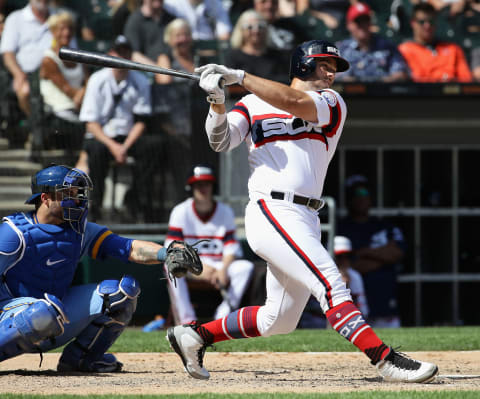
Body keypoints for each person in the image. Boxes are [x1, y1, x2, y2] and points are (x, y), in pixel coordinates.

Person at [165, 40, 439, 383]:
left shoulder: (330, 102)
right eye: (324, 64)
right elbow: (220, 141)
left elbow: (292, 101)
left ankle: (196, 335)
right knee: (330, 283)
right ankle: (385, 360)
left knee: (277, 319)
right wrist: (217, 101)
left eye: (334, 67)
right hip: (270, 209)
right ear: (303, 64)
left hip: (306, 215)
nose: (331, 73)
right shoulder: (250, 104)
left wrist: (240, 76)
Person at [0, 164, 191, 372]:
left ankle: (81, 359)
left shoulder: (79, 231)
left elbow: (128, 248)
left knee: (122, 293)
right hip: (11, 316)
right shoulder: (14, 232)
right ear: (45, 198)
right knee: (43, 311)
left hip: (56, 316)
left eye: (76, 193)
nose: (77, 200)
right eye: (68, 194)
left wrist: (167, 253)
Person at [155, 164, 254, 326]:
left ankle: (222, 318)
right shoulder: (180, 211)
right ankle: (187, 321)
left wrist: (222, 270)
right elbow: (172, 249)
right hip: (191, 266)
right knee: (170, 266)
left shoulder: (225, 211)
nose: (203, 189)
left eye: (207, 184)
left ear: (213, 186)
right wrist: (197, 269)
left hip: (218, 266)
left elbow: (232, 247)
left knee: (245, 267)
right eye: (198, 185)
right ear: (191, 187)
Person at [77, 35, 159, 222]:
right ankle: (95, 206)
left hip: (128, 136)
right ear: (110, 54)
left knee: (154, 147)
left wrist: (125, 146)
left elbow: (141, 120)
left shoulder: (140, 80)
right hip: (103, 137)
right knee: (96, 151)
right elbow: (91, 122)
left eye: (126, 53)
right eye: (118, 53)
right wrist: (113, 146)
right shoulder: (97, 80)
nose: (122, 57)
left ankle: (136, 201)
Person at [337, 175, 405, 328]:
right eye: (356, 194)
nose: (361, 198)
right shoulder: (341, 228)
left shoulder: (383, 226)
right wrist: (380, 259)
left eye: (365, 194)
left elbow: (396, 253)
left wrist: (364, 252)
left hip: (384, 301)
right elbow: (348, 266)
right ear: (348, 199)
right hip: (353, 304)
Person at [299, 235, 369, 328]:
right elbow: (307, 309)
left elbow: (363, 313)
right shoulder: (314, 274)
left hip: (342, 326)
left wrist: (346, 289)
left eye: (347, 256)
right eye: (339, 257)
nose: (344, 260)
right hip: (313, 323)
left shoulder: (354, 276)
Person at [0, 0, 52, 116]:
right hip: (28, 75)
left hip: (54, 75)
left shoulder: (60, 17)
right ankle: (35, 126)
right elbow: (7, 54)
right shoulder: (15, 18)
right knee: (25, 91)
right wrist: (18, 75)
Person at [335, 2, 410, 82]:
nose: (362, 25)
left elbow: (400, 73)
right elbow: (334, 77)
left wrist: (381, 83)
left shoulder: (387, 46)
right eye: (358, 22)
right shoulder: (341, 49)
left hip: (383, 92)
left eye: (365, 20)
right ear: (349, 25)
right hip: (349, 93)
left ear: (370, 22)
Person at [398, 2, 473, 82]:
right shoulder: (405, 50)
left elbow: (466, 80)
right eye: (422, 22)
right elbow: (416, 79)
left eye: (431, 21)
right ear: (413, 23)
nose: (427, 26)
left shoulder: (453, 49)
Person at [39, 11, 88, 124]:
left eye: (70, 29)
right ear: (53, 31)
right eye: (62, 29)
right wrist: (83, 96)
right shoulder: (48, 59)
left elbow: (88, 81)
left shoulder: (78, 55)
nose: (66, 33)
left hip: (80, 105)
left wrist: (82, 94)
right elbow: (65, 88)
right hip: (58, 110)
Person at [225, 9, 290, 84]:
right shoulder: (233, 57)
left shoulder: (278, 56)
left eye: (260, 26)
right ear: (241, 31)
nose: (256, 31)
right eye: (249, 27)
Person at [123, 0, 175, 66]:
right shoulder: (135, 21)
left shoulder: (171, 20)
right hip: (147, 72)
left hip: (174, 69)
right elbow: (133, 55)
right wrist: (159, 70)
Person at [163, 0, 232, 41]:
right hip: (183, 46)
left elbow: (224, 35)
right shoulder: (170, 4)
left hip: (208, 48)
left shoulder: (215, 3)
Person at [155, 18, 195, 85]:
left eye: (186, 34)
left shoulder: (197, 56)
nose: (183, 39)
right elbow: (164, 84)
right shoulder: (165, 58)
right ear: (169, 39)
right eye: (178, 35)